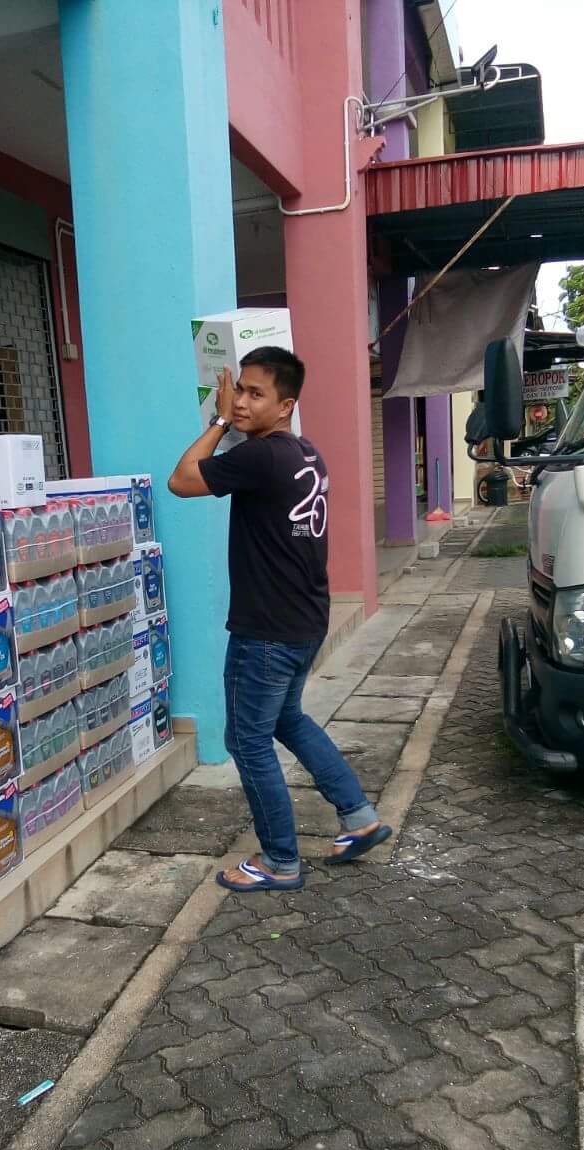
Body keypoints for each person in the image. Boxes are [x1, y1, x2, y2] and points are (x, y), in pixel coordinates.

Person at [167, 346, 390, 891]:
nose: (241, 401)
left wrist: (219, 420)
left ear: (285, 405)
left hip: (266, 630)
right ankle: (359, 817)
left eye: (254, 393)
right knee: (287, 719)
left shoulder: (260, 457)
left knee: (247, 741)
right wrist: (232, 421)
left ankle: (279, 862)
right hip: (304, 620)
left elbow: (181, 480)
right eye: (239, 390)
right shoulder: (304, 453)